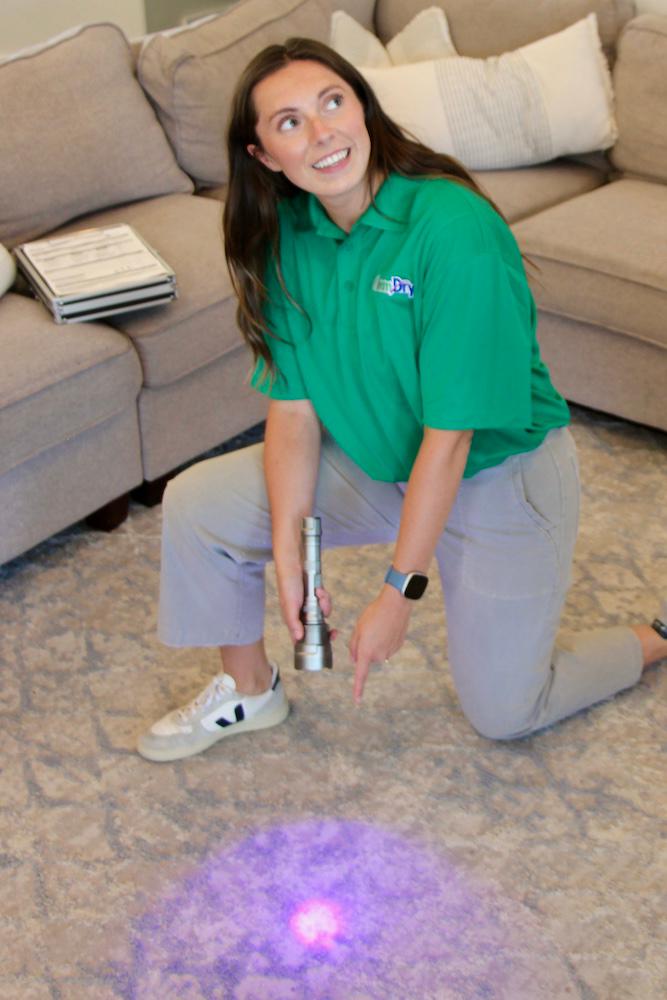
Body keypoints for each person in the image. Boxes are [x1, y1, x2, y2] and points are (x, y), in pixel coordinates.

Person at [137, 38, 667, 762]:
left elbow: (449, 439)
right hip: (375, 461)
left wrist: (397, 595)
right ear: (262, 155)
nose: (323, 132)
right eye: (290, 122)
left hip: (497, 481)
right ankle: (249, 690)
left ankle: (656, 637)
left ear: (363, 107)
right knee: (199, 504)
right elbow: (293, 411)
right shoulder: (285, 236)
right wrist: (290, 557)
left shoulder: (452, 230)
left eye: (333, 103)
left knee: (506, 711)